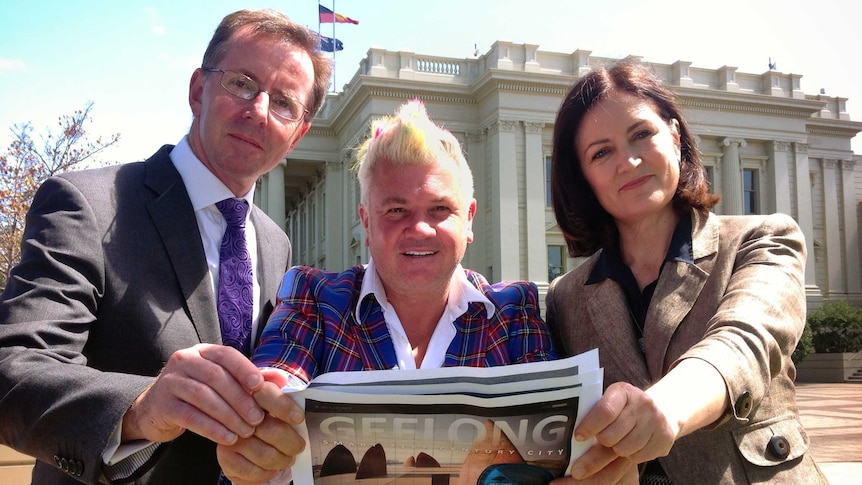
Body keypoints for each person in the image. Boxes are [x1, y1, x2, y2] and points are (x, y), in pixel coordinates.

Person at [0, 9, 331, 485]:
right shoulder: (88, 204)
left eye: (283, 102)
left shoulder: (274, 241)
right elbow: (15, 367)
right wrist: (138, 410)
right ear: (199, 90)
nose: (258, 110)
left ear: (297, 134)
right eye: (242, 83)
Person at [545, 61, 828, 484]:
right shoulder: (565, 298)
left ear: (675, 136)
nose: (629, 161)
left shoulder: (762, 239)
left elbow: (744, 343)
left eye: (641, 134)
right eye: (601, 153)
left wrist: (669, 409)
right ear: (583, 177)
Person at [247, 99, 557, 481]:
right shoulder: (314, 297)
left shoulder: (513, 312)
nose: (421, 229)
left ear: (469, 219)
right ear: (366, 222)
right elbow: (283, 372)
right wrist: (268, 410)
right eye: (396, 211)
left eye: (440, 209)